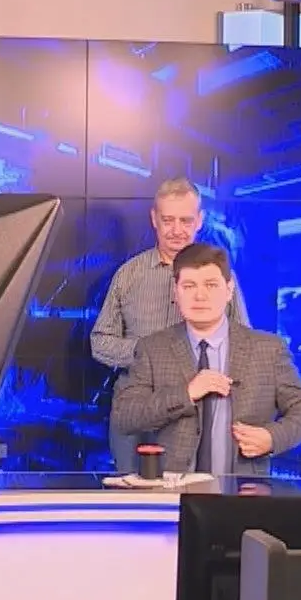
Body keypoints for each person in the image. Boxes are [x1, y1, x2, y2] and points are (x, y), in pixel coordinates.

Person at [111, 243, 301, 477]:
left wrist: (272, 438)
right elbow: (125, 416)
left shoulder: (268, 349)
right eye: (189, 286)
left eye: (211, 285)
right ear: (175, 293)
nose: (200, 296)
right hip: (171, 493)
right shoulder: (152, 349)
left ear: (229, 290)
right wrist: (186, 393)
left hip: (242, 493)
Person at [91, 178, 247, 471]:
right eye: (168, 220)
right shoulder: (129, 275)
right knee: (135, 495)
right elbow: (100, 342)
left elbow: (243, 343)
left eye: (185, 221)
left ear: (199, 220)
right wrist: (150, 355)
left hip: (199, 415)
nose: (177, 230)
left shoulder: (221, 278)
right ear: (154, 219)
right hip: (136, 413)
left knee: (197, 495)